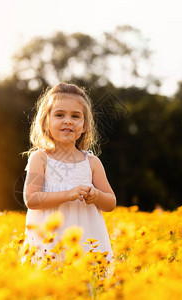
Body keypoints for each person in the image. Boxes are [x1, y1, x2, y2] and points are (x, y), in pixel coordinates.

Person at [23, 82, 116, 262]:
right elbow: (31, 199)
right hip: (49, 243)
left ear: (84, 126)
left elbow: (111, 202)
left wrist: (96, 196)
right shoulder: (40, 159)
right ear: (46, 122)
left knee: (87, 285)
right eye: (59, 115)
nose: (68, 121)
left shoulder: (92, 162)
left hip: (86, 243)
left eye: (76, 116)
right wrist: (68, 194)